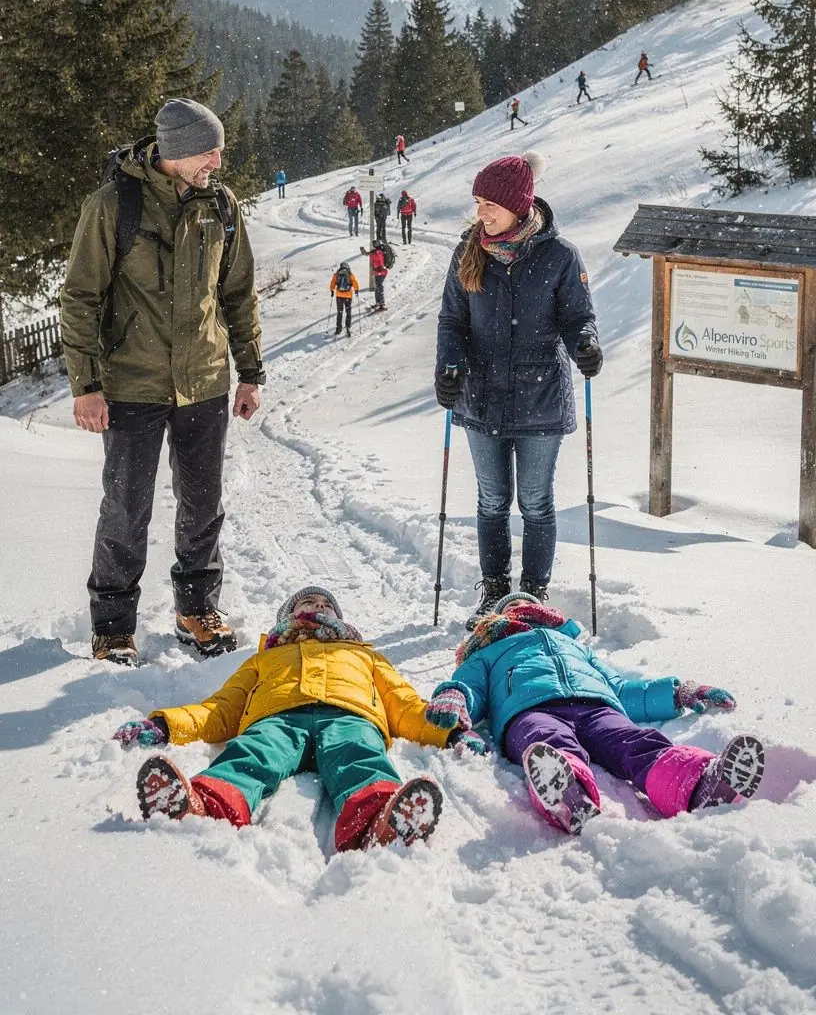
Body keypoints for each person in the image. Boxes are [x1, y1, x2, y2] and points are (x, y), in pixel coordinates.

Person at [60, 98, 265, 667]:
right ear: (174, 152)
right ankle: (112, 625)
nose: (217, 162)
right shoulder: (113, 206)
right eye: (208, 151)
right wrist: (86, 385)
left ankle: (197, 609)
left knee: (203, 505)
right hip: (132, 384)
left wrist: (249, 373)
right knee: (127, 507)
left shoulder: (220, 207)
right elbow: (79, 297)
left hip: (203, 380)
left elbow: (238, 294)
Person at [115, 586, 463, 849]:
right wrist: (164, 725)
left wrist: (449, 731)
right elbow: (221, 708)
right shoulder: (265, 658)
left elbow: (403, 703)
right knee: (251, 754)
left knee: (360, 755)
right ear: (287, 616)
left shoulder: (363, 655)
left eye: (327, 605)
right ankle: (204, 805)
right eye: (308, 603)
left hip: (349, 716)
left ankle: (379, 820)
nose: (318, 608)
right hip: (277, 719)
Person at [424, 593, 765, 835]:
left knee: (637, 742)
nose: (521, 607)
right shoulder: (487, 651)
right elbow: (470, 687)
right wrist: (455, 697)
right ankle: (565, 792)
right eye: (512, 605)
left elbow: (621, 688)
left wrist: (677, 693)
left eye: (528, 602)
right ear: (496, 618)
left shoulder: (573, 645)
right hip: (529, 711)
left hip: (596, 706)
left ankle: (702, 783)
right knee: (546, 742)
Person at [435, 151, 602, 628]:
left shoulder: (560, 256)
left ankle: (532, 594)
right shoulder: (469, 249)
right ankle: (493, 590)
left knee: (535, 501)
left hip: (540, 398)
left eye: (490, 203)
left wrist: (585, 344)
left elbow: (578, 317)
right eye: (478, 201)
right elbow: (453, 319)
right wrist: (449, 365)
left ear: (519, 204)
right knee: (491, 500)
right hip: (481, 396)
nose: (481, 212)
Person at [330, 261, 359, 337]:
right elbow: (354, 282)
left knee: (339, 312)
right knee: (348, 312)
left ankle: (338, 328)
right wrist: (356, 290)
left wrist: (332, 290)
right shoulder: (349, 274)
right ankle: (348, 327)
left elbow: (332, 283)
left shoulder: (337, 274)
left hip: (339, 296)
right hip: (348, 296)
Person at [361, 241, 388, 311]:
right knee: (377, 287)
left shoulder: (379, 252)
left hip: (382, 272)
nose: (373, 246)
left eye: (374, 245)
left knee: (379, 286)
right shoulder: (374, 252)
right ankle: (378, 302)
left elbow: (382, 263)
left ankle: (382, 303)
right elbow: (371, 259)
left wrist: (380, 271)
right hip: (377, 272)